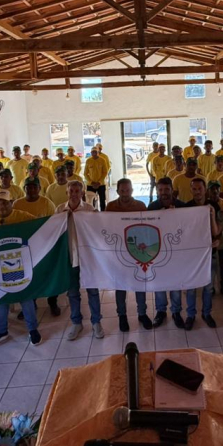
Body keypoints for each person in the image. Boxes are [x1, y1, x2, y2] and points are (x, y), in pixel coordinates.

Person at [0, 191, 41, 348]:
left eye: (4, 203)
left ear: (11, 202)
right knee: (1, 298)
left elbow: (40, 228)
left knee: (25, 296)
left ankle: (32, 329)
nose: (1, 206)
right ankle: (1, 331)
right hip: (0, 267)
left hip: (21, 263)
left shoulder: (24, 217)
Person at [57, 180, 104, 340]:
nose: (74, 194)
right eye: (71, 191)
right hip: (69, 257)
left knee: (92, 291)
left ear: (82, 193)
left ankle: (96, 322)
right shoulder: (59, 210)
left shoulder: (90, 210)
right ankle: (76, 322)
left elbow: (98, 231)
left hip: (87, 258)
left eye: (77, 191)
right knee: (72, 293)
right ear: (67, 193)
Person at [173, 178, 222, 330]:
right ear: (191, 190)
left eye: (199, 188)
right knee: (191, 287)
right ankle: (190, 315)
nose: (197, 192)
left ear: (205, 189)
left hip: (209, 254)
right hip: (192, 257)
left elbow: (216, 232)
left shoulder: (213, 205)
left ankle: (206, 314)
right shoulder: (187, 208)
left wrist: (212, 216)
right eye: (194, 189)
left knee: (208, 287)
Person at [106, 179, 152, 331]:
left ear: (132, 190)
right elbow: (105, 228)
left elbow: (147, 228)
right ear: (117, 191)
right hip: (118, 253)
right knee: (120, 285)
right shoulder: (111, 207)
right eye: (122, 191)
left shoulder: (140, 206)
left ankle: (142, 313)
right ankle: (122, 316)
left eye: (128, 190)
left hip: (137, 251)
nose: (125, 194)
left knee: (140, 284)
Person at [147, 178, 184, 328]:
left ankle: (176, 311)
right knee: (159, 283)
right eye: (160, 190)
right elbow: (147, 229)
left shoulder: (182, 206)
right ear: (157, 191)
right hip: (158, 252)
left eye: (166, 190)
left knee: (175, 283)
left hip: (176, 251)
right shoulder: (152, 207)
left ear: (172, 189)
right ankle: (161, 312)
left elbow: (187, 227)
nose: (164, 193)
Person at [84, 146, 109, 210]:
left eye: (95, 152)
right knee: (91, 201)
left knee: (102, 200)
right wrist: (91, 182)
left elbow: (105, 172)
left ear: (98, 152)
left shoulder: (102, 160)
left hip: (101, 184)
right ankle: (92, 214)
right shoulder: (88, 161)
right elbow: (85, 173)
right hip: (90, 184)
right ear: (91, 153)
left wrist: (99, 182)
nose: (94, 153)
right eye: (92, 152)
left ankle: (103, 214)